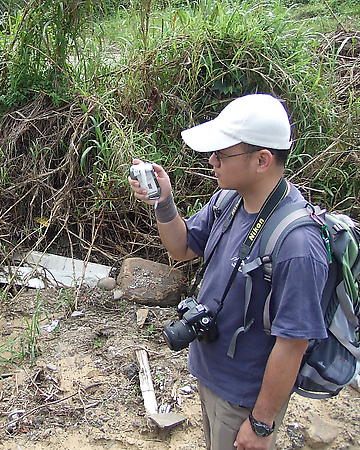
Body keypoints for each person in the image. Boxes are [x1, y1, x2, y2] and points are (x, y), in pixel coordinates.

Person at [129, 94, 329, 450]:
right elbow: (183, 247)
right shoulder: (230, 201)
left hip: (244, 398)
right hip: (210, 377)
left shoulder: (298, 244)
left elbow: (294, 342)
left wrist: (262, 423)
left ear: (262, 160)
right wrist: (164, 202)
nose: (212, 161)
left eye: (222, 154)